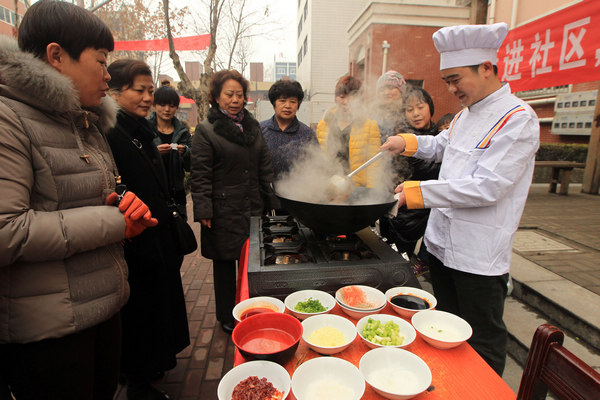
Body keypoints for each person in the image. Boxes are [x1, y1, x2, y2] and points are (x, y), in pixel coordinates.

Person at [0, 2, 157, 399]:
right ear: (56, 56)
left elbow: (90, 199)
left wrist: (124, 204)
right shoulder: (9, 118)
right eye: (102, 62)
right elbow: (7, 230)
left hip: (102, 306)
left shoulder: (84, 120)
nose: (108, 76)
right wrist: (115, 222)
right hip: (50, 329)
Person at [381, 22, 539, 376]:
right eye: (447, 81)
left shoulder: (518, 119)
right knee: (444, 327)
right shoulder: (467, 115)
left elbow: (486, 186)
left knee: (482, 337)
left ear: (486, 68)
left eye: (455, 79)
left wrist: (418, 192)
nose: (450, 89)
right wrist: (407, 141)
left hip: (477, 255)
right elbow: (442, 146)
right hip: (440, 245)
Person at [107, 59, 190, 400]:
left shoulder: (138, 130)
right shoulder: (112, 132)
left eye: (149, 90)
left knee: (159, 307)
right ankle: (138, 383)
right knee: (142, 316)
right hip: (136, 242)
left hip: (156, 236)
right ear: (114, 92)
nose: (146, 98)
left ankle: (151, 368)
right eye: (138, 90)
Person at [190, 70, 278, 334]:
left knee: (252, 262)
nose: (235, 100)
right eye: (229, 94)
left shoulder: (253, 127)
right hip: (223, 208)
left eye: (239, 94)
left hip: (252, 204)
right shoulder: (206, 130)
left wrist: (271, 199)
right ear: (216, 97)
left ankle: (249, 307)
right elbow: (200, 173)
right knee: (225, 264)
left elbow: (265, 165)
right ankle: (227, 315)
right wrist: (204, 208)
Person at [379, 87, 440, 263]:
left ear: (430, 107)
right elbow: (429, 169)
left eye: (420, 107)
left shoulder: (440, 136)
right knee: (396, 260)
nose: (416, 114)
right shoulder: (402, 140)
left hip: (429, 210)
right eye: (409, 109)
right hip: (402, 212)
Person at [316, 75, 382, 188]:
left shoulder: (370, 126)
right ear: (336, 98)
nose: (346, 102)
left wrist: (371, 192)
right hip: (328, 186)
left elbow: (374, 165)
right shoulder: (324, 124)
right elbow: (317, 158)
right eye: (342, 97)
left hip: (356, 188)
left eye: (352, 98)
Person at [260, 79, 318, 180]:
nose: (287, 106)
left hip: (295, 193)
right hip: (264, 193)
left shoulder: (307, 134)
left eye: (292, 102)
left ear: (298, 105)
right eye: (282, 101)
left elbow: (317, 166)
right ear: (274, 103)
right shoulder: (260, 131)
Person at [148, 86, 192, 218]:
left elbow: (191, 165)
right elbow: (136, 161)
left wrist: (185, 151)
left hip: (176, 193)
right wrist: (154, 153)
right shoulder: (145, 128)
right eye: (162, 105)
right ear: (154, 105)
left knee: (179, 233)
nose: (167, 109)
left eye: (172, 106)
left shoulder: (183, 132)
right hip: (152, 192)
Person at [372, 70, 407, 141]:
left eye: (391, 88)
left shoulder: (409, 113)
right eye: (382, 90)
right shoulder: (372, 116)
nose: (386, 92)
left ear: (401, 91)